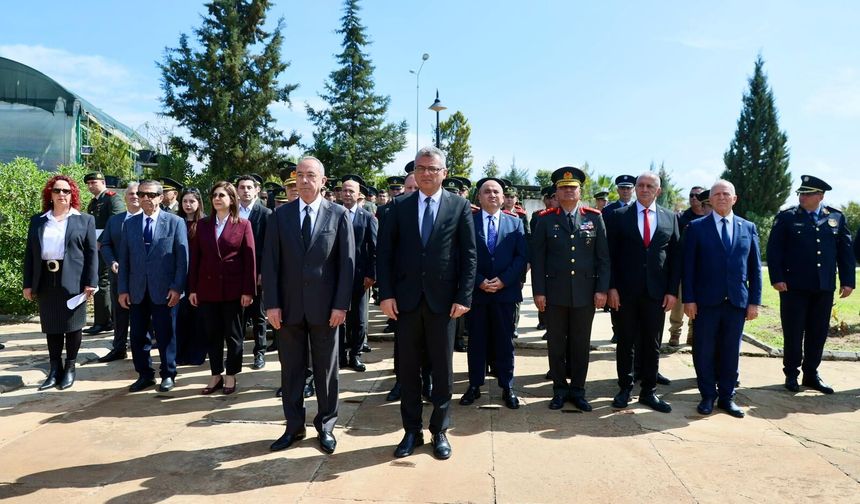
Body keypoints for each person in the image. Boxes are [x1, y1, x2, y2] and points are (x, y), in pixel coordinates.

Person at [377, 146, 477, 460]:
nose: (426, 173)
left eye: (433, 168)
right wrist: (386, 294)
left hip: (444, 303)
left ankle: (440, 430)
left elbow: (469, 255)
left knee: (443, 370)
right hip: (405, 303)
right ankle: (411, 431)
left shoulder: (459, 206)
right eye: (421, 168)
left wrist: (464, 296)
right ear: (414, 172)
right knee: (407, 370)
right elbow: (385, 256)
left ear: (444, 173)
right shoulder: (397, 206)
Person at [263, 156, 355, 454]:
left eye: (311, 175)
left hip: (326, 309)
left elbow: (347, 265)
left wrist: (341, 305)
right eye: (299, 175)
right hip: (288, 309)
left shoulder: (338, 215)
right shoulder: (280, 216)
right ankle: (293, 427)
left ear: (323, 181)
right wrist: (272, 305)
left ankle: (326, 426)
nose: (304, 180)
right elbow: (271, 265)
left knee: (327, 370)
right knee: (291, 370)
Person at [767, 175, 855, 394]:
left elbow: (845, 251)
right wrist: (777, 277)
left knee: (818, 332)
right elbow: (774, 250)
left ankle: (811, 374)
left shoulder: (835, 217)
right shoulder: (787, 217)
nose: (802, 197)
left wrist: (847, 281)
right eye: (801, 193)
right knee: (794, 331)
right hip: (793, 286)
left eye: (807, 194)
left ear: (820, 196)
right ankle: (791, 374)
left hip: (823, 286)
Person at [531, 167, 609, 412]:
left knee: (580, 344)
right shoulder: (545, 219)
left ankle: (578, 390)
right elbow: (538, 260)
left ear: (580, 191)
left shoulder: (594, 217)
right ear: (557, 191)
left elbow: (603, 258)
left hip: (585, 293)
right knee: (556, 344)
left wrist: (601, 289)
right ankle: (559, 390)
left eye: (572, 187)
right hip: (554, 293)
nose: (568, 191)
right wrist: (539, 292)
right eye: (563, 188)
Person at [683, 179, 762, 418]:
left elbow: (754, 268)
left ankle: (727, 397)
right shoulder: (696, 227)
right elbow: (688, 268)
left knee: (730, 351)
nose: (721, 197)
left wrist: (754, 301)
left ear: (734, 198)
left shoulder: (748, 227)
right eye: (716, 194)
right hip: (706, 302)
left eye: (726, 194)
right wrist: (689, 299)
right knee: (704, 350)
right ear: (710, 199)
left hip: (737, 302)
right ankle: (708, 396)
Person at [606, 172, 681, 413]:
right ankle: (625, 388)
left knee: (652, 342)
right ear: (636, 189)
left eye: (650, 186)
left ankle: (649, 391)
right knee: (625, 341)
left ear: (658, 191)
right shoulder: (618, 216)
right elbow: (609, 256)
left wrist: (671, 291)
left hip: (656, 293)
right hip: (625, 292)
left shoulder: (670, 217)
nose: (644, 189)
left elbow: (675, 258)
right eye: (641, 185)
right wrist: (612, 287)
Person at [23, 175, 98, 390]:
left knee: (73, 326)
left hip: (73, 279)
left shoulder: (84, 220)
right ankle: (54, 369)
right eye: (57, 190)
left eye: (66, 191)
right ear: (50, 194)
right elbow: (30, 254)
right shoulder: (38, 220)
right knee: (52, 326)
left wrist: (90, 282)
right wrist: (28, 284)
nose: (62, 194)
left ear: (72, 193)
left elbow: (92, 254)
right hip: (46, 278)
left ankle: (70, 368)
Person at [460, 178, 527, 409]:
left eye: (496, 192)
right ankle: (474, 386)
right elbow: (463, 256)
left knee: (504, 342)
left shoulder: (515, 223)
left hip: (504, 293)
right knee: (476, 341)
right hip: (478, 294)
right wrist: (479, 282)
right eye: (486, 192)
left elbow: (521, 257)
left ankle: (507, 386)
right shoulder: (468, 221)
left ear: (502, 196)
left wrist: (504, 281)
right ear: (478, 197)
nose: (492, 195)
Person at [118, 179, 189, 393]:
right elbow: (125, 259)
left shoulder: (175, 222)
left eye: (150, 195)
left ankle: (168, 374)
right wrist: (123, 289)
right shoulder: (129, 224)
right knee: (138, 335)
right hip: (137, 290)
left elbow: (182, 259)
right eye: (141, 194)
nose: (145, 199)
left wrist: (178, 287)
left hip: (165, 289)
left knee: (166, 334)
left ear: (160, 197)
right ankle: (144, 375)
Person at [189, 182, 256, 395]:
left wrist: (248, 290)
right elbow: (195, 260)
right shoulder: (203, 224)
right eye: (214, 195)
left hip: (233, 290)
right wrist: (192, 289)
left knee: (234, 335)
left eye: (222, 195)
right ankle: (215, 374)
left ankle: (231, 374)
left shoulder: (243, 224)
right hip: (207, 289)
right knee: (212, 334)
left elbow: (250, 259)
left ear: (232, 199)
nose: (217, 199)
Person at [97, 182, 142, 363]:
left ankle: (141, 349)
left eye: (139, 193)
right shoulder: (115, 220)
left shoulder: (150, 219)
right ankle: (119, 347)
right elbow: (105, 244)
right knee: (120, 314)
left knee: (142, 316)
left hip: (142, 277)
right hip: (119, 275)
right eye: (131, 194)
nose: (135, 196)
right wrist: (112, 261)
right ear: (125, 197)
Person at [338, 175, 377, 372]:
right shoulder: (333, 214)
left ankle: (355, 354)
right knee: (338, 317)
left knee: (359, 320)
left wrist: (371, 275)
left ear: (358, 194)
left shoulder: (367, 217)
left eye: (351, 190)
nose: (347, 194)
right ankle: (340, 356)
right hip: (336, 278)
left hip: (360, 278)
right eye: (344, 190)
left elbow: (374, 248)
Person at [236, 174, 272, 370]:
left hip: (257, 272)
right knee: (237, 315)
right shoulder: (232, 212)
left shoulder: (265, 213)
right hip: (236, 273)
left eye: (249, 187)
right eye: (242, 187)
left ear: (257, 190)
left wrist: (263, 272)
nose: (246, 191)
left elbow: (269, 247)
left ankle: (259, 353)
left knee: (258, 316)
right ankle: (237, 352)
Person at [82, 172, 124, 335]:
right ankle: (103, 320)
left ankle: (105, 321)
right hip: (95, 246)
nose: (91, 186)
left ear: (103, 182)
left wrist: (102, 241)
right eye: (89, 183)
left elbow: (116, 221)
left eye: (94, 182)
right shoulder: (94, 202)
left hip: (107, 247)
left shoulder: (113, 198)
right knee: (99, 282)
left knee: (103, 282)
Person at [667, 186, 707, 346]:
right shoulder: (681, 217)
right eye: (691, 195)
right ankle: (675, 332)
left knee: (696, 303)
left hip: (702, 270)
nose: (693, 198)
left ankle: (692, 333)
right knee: (679, 303)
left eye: (697, 195)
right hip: (683, 268)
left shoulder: (709, 216)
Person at [174, 188, 207, 366]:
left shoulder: (205, 223)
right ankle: (180, 353)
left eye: (191, 201)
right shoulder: (175, 221)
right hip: (179, 275)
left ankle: (197, 353)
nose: (188, 205)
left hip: (199, 276)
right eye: (185, 201)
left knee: (198, 317)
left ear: (198, 203)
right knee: (180, 317)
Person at [602, 174, 636, 344]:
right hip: (615, 259)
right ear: (617, 190)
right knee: (616, 304)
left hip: (634, 263)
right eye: (622, 188)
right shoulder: (608, 211)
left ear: (633, 189)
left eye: (628, 188)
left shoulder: (639, 209)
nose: (625, 191)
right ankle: (617, 330)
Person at [530, 186, 557, 334]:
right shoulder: (539, 216)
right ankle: (544, 322)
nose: (553, 200)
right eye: (550, 197)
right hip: (545, 262)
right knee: (543, 295)